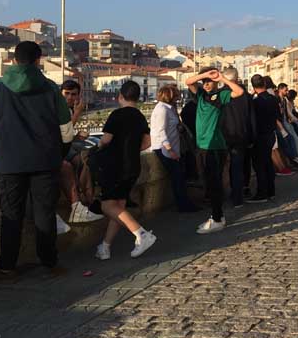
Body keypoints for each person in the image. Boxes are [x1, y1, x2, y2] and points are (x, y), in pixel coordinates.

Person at [0, 41, 75, 278]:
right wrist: (57, 155)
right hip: (45, 162)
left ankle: (7, 265)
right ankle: (50, 262)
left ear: (13, 60)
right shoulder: (50, 88)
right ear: (38, 60)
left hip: (9, 163)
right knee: (45, 213)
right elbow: (66, 130)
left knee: (11, 215)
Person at [94, 81, 156, 260]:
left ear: (120, 96)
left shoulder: (116, 114)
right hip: (133, 166)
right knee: (119, 207)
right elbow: (148, 142)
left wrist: (99, 146)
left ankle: (141, 234)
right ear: (137, 97)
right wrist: (131, 150)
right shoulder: (139, 116)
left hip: (115, 166)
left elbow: (106, 140)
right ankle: (105, 247)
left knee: (107, 205)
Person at [184, 67, 244, 234]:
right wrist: (205, 75)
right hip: (202, 146)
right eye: (205, 82)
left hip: (215, 146)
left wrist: (222, 79)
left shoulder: (221, 96)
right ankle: (218, 215)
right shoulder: (201, 95)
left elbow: (238, 92)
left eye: (210, 82)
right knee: (207, 182)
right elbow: (188, 82)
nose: (207, 84)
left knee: (214, 183)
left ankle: (216, 218)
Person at [59, 80, 104, 225]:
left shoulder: (69, 109)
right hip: (57, 150)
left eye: (74, 94)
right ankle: (88, 201)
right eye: (67, 94)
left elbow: (67, 134)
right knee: (82, 160)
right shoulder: (60, 109)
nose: (70, 98)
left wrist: (77, 135)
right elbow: (63, 131)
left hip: (66, 146)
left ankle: (88, 200)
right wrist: (78, 113)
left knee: (85, 161)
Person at [150, 84, 197, 212]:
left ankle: (185, 204)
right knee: (177, 178)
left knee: (180, 177)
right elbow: (161, 131)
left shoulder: (169, 108)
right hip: (165, 149)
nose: (178, 97)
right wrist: (170, 150)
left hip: (173, 148)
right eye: (176, 95)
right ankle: (183, 205)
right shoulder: (162, 110)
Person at [219, 67, 256, 208]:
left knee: (221, 168)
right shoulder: (245, 95)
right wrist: (251, 137)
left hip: (223, 135)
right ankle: (238, 196)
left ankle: (220, 196)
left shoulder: (221, 94)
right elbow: (251, 118)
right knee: (238, 167)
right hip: (241, 135)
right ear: (237, 78)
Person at [248, 74, 280, 203]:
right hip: (271, 134)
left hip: (260, 136)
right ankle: (271, 191)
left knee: (259, 165)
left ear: (253, 86)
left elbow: (252, 121)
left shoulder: (255, 102)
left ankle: (262, 193)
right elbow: (278, 116)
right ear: (265, 84)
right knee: (268, 162)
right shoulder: (273, 99)